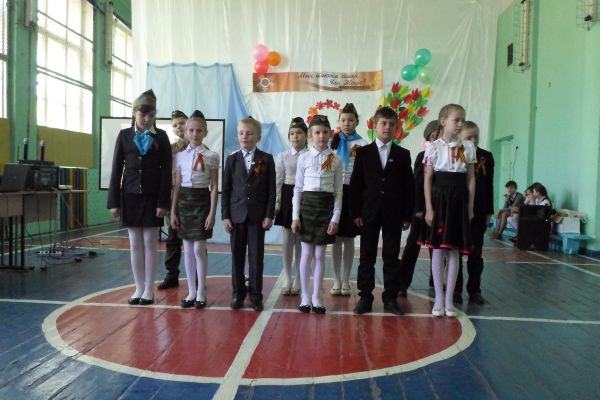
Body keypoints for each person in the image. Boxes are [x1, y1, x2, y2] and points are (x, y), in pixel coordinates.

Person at [107, 89, 172, 305]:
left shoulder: (161, 136)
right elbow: (116, 169)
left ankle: (149, 289)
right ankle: (138, 287)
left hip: (152, 198)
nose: (146, 119)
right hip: (130, 195)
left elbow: (166, 172)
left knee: (150, 243)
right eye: (143, 114)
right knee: (135, 243)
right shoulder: (124, 135)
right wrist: (114, 201)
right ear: (134, 113)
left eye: (151, 115)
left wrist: (163, 202)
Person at [350, 106, 415, 316]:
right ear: (375, 125)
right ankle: (365, 297)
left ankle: (390, 298)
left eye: (391, 124)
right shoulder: (363, 153)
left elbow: (408, 187)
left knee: (391, 256)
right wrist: (356, 212)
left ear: (397, 127)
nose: (387, 127)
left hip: (394, 214)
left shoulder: (403, 155)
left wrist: (407, 215)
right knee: (366, 256)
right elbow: (356, 185)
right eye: (383, 123)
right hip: (368, 212)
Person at [419, 104, 476, 318]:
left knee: (454, 251)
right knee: (438, 249)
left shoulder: (468, 147)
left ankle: (450, 300)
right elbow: (427, 179)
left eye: (462, 120)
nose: (460, 124)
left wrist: (470, 207)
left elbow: (471, 179)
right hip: (440, 199)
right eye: (456, 120)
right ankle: (439, 299)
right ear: (443, 121)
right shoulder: (433, 147)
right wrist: (429, 208)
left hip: (459, 200)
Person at [222, 117, 276, 312]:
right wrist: (225, 216)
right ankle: (238, 294)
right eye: (241, 133)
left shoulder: (266, 159)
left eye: (250, 133)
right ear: (237, 135)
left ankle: (256, 296)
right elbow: (226, 190)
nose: (245, 136)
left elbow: (271, 191)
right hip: (236, 217)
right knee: (237, 257)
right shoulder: (231, 159)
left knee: (256, 257)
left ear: (258, 137)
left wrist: (269, 215)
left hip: (257, 218)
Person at [291, 115, 342, 314]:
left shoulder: (336, 160)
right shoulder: (303, 158)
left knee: (320, 254)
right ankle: (305, 296)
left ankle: (317, 297)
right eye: (317, 132)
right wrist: (295, 216)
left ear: (330, 134)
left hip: (326, 208)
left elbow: (338, 192)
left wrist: (335, 217)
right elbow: (298, 189)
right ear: (310, 135)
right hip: (307, 208)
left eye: (325, 132)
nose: (322, 136)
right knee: (306, 253)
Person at [170, 110, 219, 309]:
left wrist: (212, 213)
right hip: (184, 202)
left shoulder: (212, 156)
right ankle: (191, 291)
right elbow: (177, 186)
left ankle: (201, 292)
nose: (195, 134)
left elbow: (214, 186)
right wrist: (173, 211)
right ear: (186, 132)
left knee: (199, 248)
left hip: (201, 201)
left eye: (199, 130)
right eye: (191, 130)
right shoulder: (179, 156)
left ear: (205, 133)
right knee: (188, 249)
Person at [398, 119, 440, 297]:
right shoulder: (423, 156)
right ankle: (402, 283)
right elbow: (417, 184)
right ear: (430, 137)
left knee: (437, 247)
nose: (436, 139)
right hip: (422, 210)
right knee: (412, 246)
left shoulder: (448, 156)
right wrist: (418, 210)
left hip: (440, 210)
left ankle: (436, 280)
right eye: (434, 136)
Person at [330, 103, 368, 296]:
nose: (347, 123)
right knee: (336, 238)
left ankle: (346, 279)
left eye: (350, 120)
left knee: (349, 239)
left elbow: (364, 173)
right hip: (335, 192)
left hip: (353, 193)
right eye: (343, 120)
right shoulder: (333, 142)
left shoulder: (362, 143)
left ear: (356, 122)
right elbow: (327, 166)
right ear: (339, 121)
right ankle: (336, 279)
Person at [455, 121, 494, 305]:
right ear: (460, 137)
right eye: (468, 137)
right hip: (458, 210)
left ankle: (474, 290)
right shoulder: (455, 153)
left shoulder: (486, 156)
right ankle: (455, 290)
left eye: (476, 136)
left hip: (479, 210)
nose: (473, 140)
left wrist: (489, 211)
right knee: (455, 253)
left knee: (476, 253)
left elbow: (489, 184)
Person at [275, 117, 308, 296]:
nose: (295, 136)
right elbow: (278, 181)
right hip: (288, 195)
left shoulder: (310, 155)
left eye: (299, 133)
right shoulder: (283, 156)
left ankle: (299, 277)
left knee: (301, 240)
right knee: (287, 240)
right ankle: (287, 276)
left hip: (305, 196)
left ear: (306, 135)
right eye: (292, 133)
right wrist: (277, 203)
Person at [158, 110, 188, 290]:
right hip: (173, 200)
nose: (179, 127)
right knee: (173, 239)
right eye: (175, 125)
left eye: (182, 123)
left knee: (195, 240)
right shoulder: (169, 149)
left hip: (192, 200)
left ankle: (197, 277)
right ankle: (171, 275)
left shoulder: (200, 148)